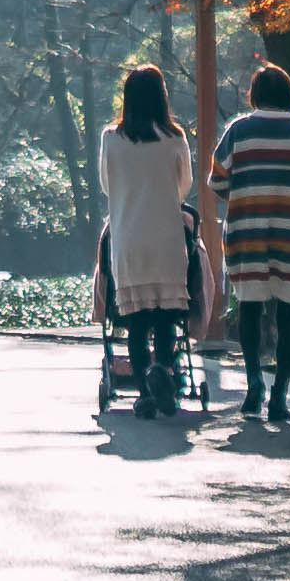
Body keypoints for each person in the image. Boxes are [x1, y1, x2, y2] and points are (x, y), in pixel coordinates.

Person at [210, 60, 290, 426]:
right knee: (288, 315)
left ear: (255, 96)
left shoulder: (238, 130)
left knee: (249, 309)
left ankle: (254, 383)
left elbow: (217, 181)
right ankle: (280, 396)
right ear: (289, 96)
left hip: (249, 232)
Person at [93, 61, 199, 419]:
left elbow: (107, 185)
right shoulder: (175, 138)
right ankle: (164, 371)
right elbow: (184, 187)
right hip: (167, 241)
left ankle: (144, 390)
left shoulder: (111, 138)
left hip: (129, 241)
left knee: (137, 323)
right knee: (166, 319)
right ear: (161, 98)